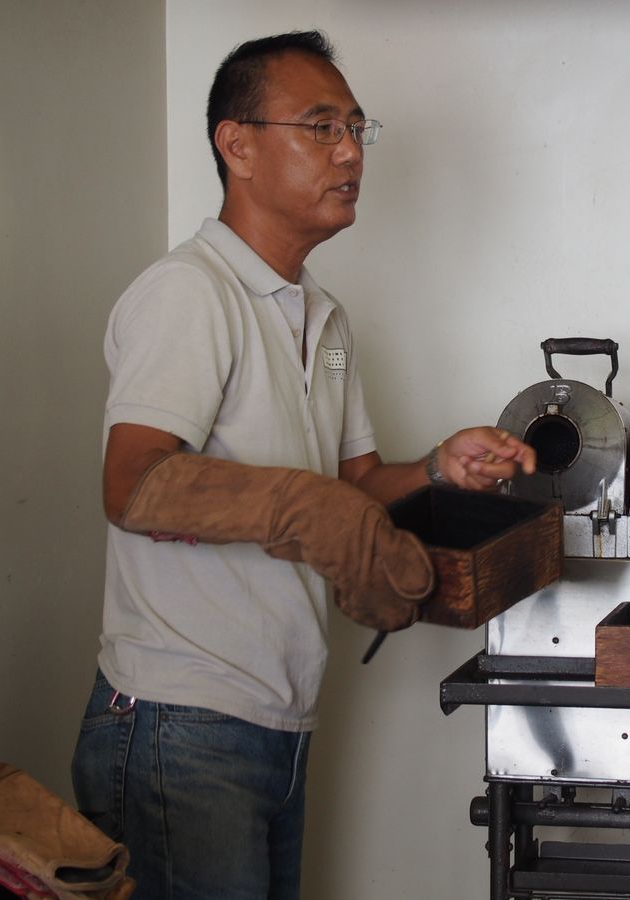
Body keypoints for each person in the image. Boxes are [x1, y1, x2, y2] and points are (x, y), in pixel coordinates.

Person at [70, 30, 534, 899]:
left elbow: (355, 487)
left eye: (356, 128)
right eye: (321, 128)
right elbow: (133, 485)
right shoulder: (190, 292)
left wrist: (439, 469)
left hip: (278, 719)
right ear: (237, 145)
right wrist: (306, 509)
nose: (351, 152)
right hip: (177, 722)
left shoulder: (327, 319)